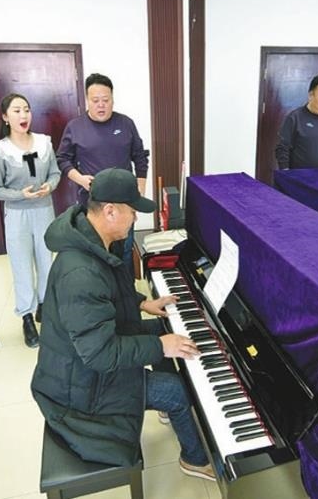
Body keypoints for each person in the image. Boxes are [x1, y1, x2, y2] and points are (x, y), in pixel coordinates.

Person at [31, 168, 216, 481]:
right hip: (79, 387)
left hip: (85, 360)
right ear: (110, 211)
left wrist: (142, 303)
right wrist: (160, 347)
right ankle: (194, 459)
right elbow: (100, 354)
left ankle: (163, 405)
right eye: (132, 211)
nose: (135, 218)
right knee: (176, 390)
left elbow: (108, 292)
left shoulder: (93, 240)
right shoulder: (80, 273)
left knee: (166, 329)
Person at [0, 93, 60, 347]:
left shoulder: (44, 143)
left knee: (46, 262)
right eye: (16, 111)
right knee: (22, 267)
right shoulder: (0, 151)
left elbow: (55, 173)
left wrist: (50, 186)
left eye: (26, 109)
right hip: (17, 215)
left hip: (44, 210)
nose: (23, 115)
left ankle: (45, 307)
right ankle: (26, 316)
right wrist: (20, 195)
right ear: (5, 117)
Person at [56, 73, 149, 278]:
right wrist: (80, 179)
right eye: (95, 100)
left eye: (105, 100)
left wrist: (140, 189)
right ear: (87, 101)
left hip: (123, 203)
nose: (101, 105)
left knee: (124, 251)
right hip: (92, 204)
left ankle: (128, 294)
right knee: (96, 253)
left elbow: (140, 158)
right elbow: (62, 159)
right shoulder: (75, 127)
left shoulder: (126, 123)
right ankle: (103, 293)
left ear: (112, 99)